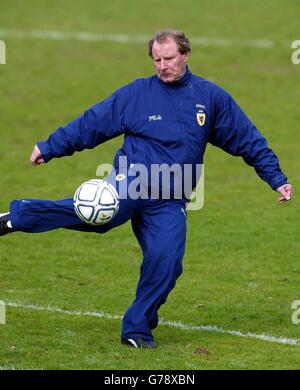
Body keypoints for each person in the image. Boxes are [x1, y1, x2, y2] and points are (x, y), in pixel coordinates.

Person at [0, 30, 293, 349]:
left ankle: (137, 329)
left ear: (185, 55)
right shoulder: (137, 94)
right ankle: (16, 217)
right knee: (100, 217)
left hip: (172, 197)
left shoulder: (210, 98)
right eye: (157, 60)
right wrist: (50, 146)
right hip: (131, 181)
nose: (163, 65)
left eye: (169, 58)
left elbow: (246, 139)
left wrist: (275, 177)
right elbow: (93, 122)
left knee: (167, 261)